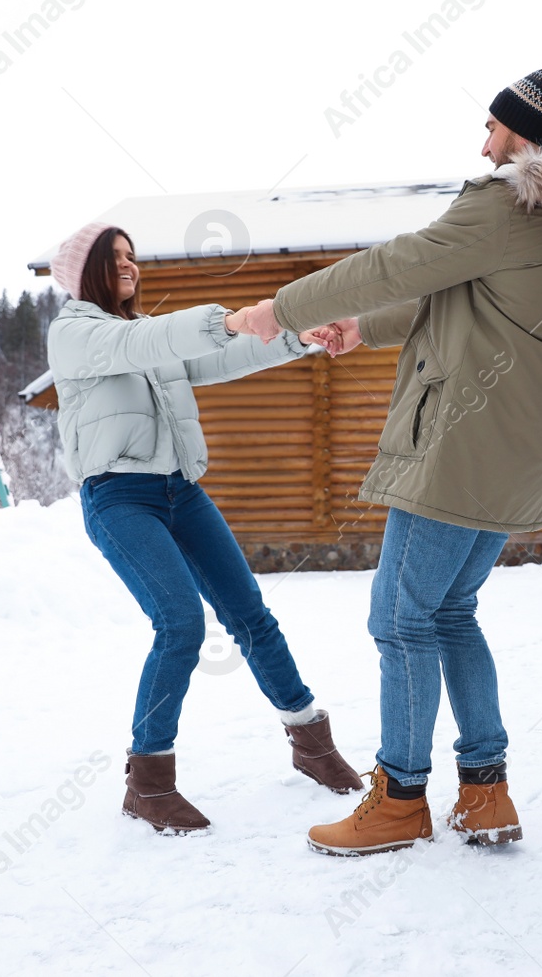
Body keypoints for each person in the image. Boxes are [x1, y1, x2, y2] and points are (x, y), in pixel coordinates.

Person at [228, 43, 542, 855]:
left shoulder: (503, 207)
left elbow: (398, 264)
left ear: (523, 137)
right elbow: (467, 295)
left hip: (460, 447)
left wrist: (277, 309)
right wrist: (363, 328)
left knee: (397, 616)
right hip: (521, 454)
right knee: (448, 612)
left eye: (491, 127)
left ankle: (400, 796)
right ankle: (486, 793)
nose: (482, 143)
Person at [46, 221, 363, 835]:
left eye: (133, 257)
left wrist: (298, 338)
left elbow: (221, 357)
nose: (130, 267)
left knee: (250, 612)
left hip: (181, 492)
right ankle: (149, 782)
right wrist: (233, 315)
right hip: (119, 498)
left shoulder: (144, 337)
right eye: (115, 259)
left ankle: (312, 744)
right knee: (181, 622)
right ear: (85, 273)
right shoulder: (75, 333)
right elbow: (149, 343)